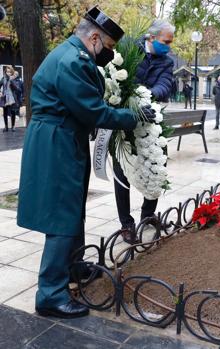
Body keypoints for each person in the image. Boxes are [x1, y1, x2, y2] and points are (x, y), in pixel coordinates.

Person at [17, 6, 156, 319]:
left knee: (72, 208)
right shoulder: (73, 61)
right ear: (94, 37)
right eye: (107, 47)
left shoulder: (72, 55)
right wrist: (132, 117)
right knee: (61, 215)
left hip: (62, 137)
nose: (108, 53)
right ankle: (50, 294)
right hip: (57, 141)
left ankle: (74, 267)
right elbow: (93, 112)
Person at [114, 19, 175, 244]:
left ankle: (148, 216)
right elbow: (119, 78)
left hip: (151, 119)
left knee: (156, 166)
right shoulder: (129, 49)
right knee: (122, 173)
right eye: (165, 41)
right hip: (124, 119)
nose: (168, 45)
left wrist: (145, 97)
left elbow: (165, 85)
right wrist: (133, 101)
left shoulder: (166, 61)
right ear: (151, 37)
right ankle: (126, 224)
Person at [0, 66, 21, 132]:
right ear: (5, 72)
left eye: (9, 72)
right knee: (5, 112)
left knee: (13, 112)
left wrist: (12, 81)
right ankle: (6, 127)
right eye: (7, 72)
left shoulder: (13, 79)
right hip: (5, 97)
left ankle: (13, 126)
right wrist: (0, 92)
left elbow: (17, 89)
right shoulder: (3, 79)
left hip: (12, 98)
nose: (8, 73)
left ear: (12, 72)